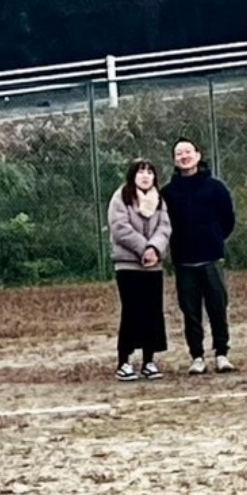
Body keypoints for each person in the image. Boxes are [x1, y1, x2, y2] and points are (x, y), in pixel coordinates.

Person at [163, 138, 237, 374]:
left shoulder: (215, 187)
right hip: (184, 261)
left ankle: (222, 354)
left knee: (217, 307)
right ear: (175, 160)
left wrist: (214, 239)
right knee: (191, 311)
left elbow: (228, 219)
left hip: (211, 258)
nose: (184, 157)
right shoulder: (167, 192)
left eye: (187, 152)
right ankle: (197, 357)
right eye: (179, 154)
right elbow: (163, 225)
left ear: (197, 155)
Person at [108, 159, 172, 380]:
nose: (145, 176)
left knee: (152, 312)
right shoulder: (121, 197)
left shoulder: (160, 200)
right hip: (128, 265)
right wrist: (143, 248)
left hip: (153, 268)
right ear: (132, 176)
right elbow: (119, 228)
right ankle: (124, 361)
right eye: (140, 172)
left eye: (149, 172)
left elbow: (165, 227)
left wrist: (155, 249)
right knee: (132, 311)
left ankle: (149, 361)